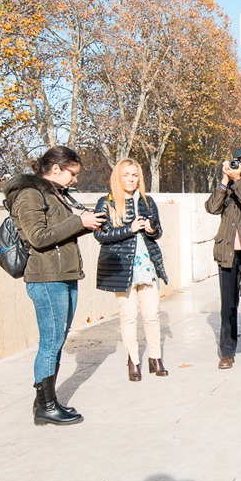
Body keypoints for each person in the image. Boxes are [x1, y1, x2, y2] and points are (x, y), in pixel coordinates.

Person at [2, 146, 106, 426]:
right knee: (51, 341)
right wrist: (78, 221)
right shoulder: (29, 194)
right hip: (46, 277)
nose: (75, 179)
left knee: (57, 339)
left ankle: (45, 403)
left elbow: (60, 231)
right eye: (73, 173)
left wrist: (87, 224)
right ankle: (46, 406)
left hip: (62, 273)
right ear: (56, 168)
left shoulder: (53, 194)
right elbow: (37, 237)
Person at [94, 159, 169, 381]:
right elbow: (101, 235)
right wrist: (130, 229)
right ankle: (133, 360)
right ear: (118, 176)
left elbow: (158, 232)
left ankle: (155, 358)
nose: (130, 179)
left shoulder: (147, 201)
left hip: (147, 264)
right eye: (126, 175)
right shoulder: (106, 202)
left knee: (152, 314)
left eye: (135, 175)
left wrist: (151, 228)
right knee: (128, 315)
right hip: (121, 267)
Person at [204, 148, 241, 370]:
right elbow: (211, 207)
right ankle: (227, 351)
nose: (239, 166)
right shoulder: (227, 185)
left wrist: (238, 181)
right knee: (228, 305)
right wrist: (224, 180)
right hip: (227, 252)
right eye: (236, 162)